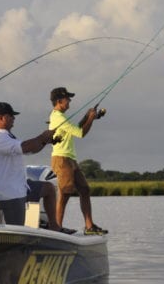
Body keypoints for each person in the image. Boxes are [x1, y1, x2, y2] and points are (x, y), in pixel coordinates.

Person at [0, 102, 75, 234]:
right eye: (11, 116)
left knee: (48, 188)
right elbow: (26, 146)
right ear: (1, 118)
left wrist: (45, 141)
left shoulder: (6, 136)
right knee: (17, 232)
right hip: (9, 194)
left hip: (20, 187)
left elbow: (31, 149)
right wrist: (42, 137)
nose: (14, 119)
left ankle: (54, 227)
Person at [48, 87, 108, 235]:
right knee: (65, 192)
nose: (69, 101)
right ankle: (57, 228)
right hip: (61, 159)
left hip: (70, 158)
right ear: (59, 101)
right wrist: (91, 119)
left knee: (85, 189)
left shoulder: (62, 117)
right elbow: (81, 133)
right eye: (67, 99)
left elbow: (76, 128)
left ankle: (89, 226)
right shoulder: (58, 117)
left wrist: (88, 116)